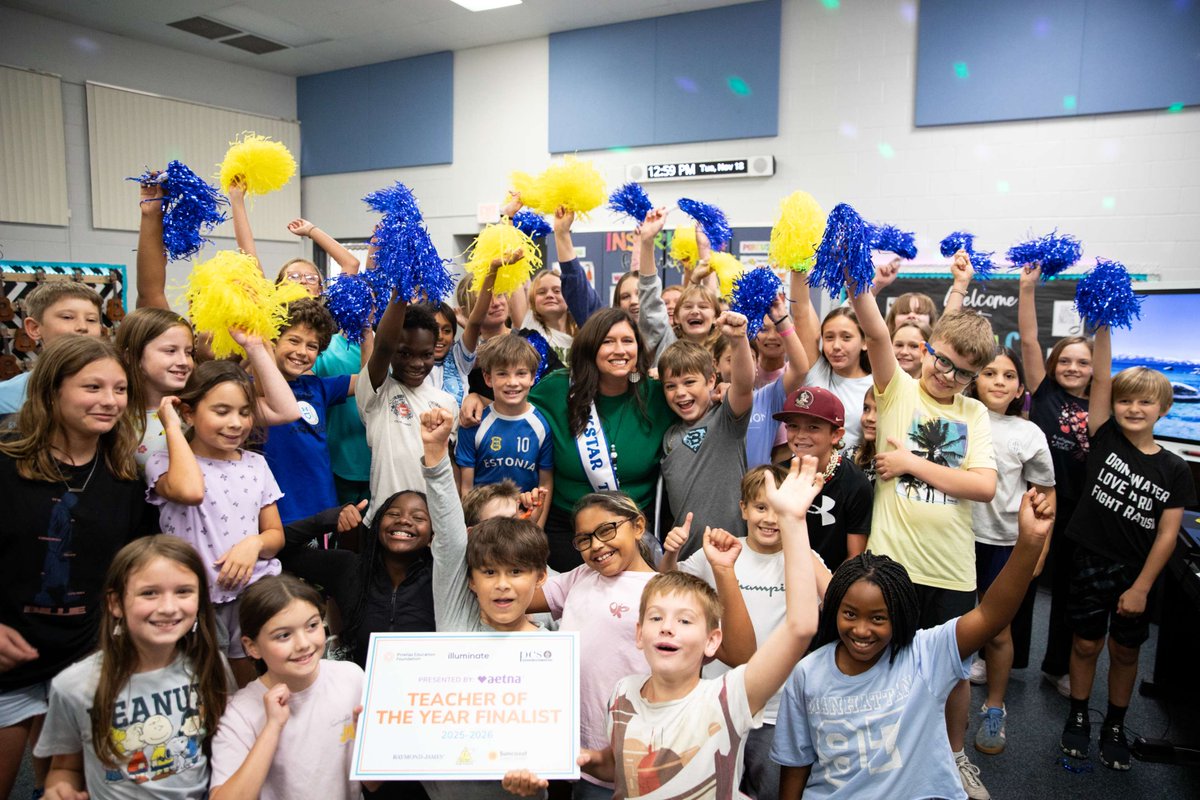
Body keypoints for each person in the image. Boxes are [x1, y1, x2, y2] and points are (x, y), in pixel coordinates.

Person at [504, 455, 825, 800]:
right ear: (639, 632)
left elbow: (798, 628)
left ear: (710, 639)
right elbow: (620, 768)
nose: (667, 628)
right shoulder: (623, 696)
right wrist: (577, 758)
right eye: (655, 618)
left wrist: (792, 523)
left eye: (683, 620)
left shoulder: (724, 700)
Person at [772, 489, 1055, 799]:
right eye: (850, 614)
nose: (862, 630)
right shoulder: (807, 673)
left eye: (878, 618)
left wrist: (1029, 543)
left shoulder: (925, 655)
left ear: (900, 616)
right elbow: (795, 764)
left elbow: (991, 615)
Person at [849, 280, 998, 800]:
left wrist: (912, 462)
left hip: (953, 568)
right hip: (893, 565)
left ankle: (954, 756)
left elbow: (983, 486)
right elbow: (871, 327)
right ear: (929, 347)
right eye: (943, 360)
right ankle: (878, 753)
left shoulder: (973, 413)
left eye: (964, 373)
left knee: (954, 673)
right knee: (882, 661)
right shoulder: (899, 389)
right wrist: (856, 276)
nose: (949, 375)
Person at [0, 337, 157, 798]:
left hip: (85, 660)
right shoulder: (5, 464)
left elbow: (130, 567)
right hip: (8, 664)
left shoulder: (125, 474)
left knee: (64, 788)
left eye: (120, 389)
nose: (110, 401)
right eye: (92, 387)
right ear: (52, 391)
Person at [1059, 327, 1195, 770]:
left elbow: (1168, 535)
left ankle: (1114, 724)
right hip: (1089, 561)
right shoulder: (1104, 437)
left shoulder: (1175, 469)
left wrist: (1141, 587)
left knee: (1125, 651)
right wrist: (1103, 325)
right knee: (1084, 645)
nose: (1133, 408)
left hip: (1136, 573)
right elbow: (1101, 378)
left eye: (1144, 402)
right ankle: (1078, 713)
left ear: (1164, 408)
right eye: (1125, 400)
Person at [660, 465, 834, 800]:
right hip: (717, 701)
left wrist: (799, 536)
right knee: (709, 789)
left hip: (778, 709)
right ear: (743, 509)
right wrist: (670, 554)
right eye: (760, 507)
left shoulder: (803, 558)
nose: (770, 518)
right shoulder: (721, 552)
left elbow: (837, 601)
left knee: (768, 789)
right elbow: (669, 588)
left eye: (777, 508)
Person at [34, 536, 230, 799]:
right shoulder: (74, 685)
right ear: (115, 603)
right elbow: (65, 767)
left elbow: (223, 749)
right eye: (149, 593)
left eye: (183, 591)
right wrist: (60, 787)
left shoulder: (211, 665)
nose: (168, 608)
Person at [144, 360, 286, 687]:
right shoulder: (163, 463)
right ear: (189, 413)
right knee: (210, 687)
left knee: (253, 684)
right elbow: (190, 491)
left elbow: (275, 535)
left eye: (244, 411)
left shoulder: (256, 464)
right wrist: (172, 425)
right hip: (196, 601)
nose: (236, 423)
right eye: (221, 411)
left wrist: (254, 544)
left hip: (252, 594)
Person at [527, 308, 676, 571]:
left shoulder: (657, 395)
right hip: (570, 535)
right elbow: (510, 407)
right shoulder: (558, 389)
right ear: (590, 347)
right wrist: (478, 398)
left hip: (633, 534)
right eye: (608, 341)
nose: (620, 350)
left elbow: (700, 407)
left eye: (627, 341)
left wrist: (724, 389)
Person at [962, 347, 1056, 755]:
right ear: (974, 379)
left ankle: (995, 707)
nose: (999, 381)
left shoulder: (1028, 433)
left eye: (1008, 375)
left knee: (998, 631)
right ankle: (938, 709)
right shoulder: (960, 414)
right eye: (989, 372)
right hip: (957, 539)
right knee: (952, 628)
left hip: (1003, 543)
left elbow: (1047, 495)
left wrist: (1039, 551)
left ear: (1020, 386)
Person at [210, 575, 375, 800]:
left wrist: (368, 744)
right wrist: (273, 727)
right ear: (252, 646)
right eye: (284, 635)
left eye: (312, 625)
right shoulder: (239, 713)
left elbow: (372, 784)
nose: (303, 644)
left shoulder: (351, 677)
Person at [1018, 263, 1094, 697]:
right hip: (1035, 501)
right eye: (1064, 359)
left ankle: (1057, 666)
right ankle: (1001, 656)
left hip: (1077, 512)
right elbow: (1029, 339)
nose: (1072, 367)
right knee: (1021, 584)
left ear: (1092, 370)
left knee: (1067, 590)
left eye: (1081, 362)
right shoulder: (1044, 391)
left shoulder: (1102, 403)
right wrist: (1027, 288)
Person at [657, 311, 754, 555]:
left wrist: (739, 340)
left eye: (689, 382)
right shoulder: (669, 436)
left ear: (711, 380)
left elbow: (743, 385)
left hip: (732, 550)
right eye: (670, 386)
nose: (680, 392)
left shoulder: (726, 417)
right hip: (686, 556)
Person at [357, 296, 459, 521]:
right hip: (383, 522)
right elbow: (383, 346)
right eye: (404, 353)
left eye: (426, 355)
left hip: (431, 523)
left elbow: (449, 465)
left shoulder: (447, 403)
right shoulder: (377, 391)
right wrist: (400, 293)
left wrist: (452, 517)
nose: (416, 363)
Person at [263, 299, 361, 526]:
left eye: (312, 346)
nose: (301, 352)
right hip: (276, 515)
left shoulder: (318, 387)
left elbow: (370, 380)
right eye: (294, 341)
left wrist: (366, 331)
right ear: (273, 341)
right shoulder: (250, 389)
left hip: (323, 509)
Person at [455, 335, 554, 522]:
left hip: (524, 521)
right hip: (483, 522)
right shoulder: (474, 423)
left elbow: (545, 483)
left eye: (521, 373)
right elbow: (466, 487)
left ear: (533, 377)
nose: (512, 382)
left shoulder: (541, 425)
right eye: (502, 373)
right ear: (487, 377)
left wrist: (537, 528)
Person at [774, 386, 873, 567]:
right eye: (793, 426)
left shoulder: (855, 483)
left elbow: (854, 556)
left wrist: (831, 591)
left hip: (832, 584)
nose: (801, 435)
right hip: (778, 578)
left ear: (836, 435)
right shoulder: (777, 476)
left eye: (813, 427)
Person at [789, 272, 873, 449]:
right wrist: (797, 262)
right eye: (829, 337)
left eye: (846, 337)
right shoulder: (818, 372)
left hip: (854, 473)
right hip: (808, 470)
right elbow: (801, 312)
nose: (836, 346)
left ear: (865, 342)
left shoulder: (876, 385)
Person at [0, 282, 104, 415]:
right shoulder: (5, 398)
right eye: (67, 317)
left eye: (91, 319)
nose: (83, 326)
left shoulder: (118, 392)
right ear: (34, 328)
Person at [848, 386, 877, 484]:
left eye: (879, 410)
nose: (870, 418)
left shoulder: (903, 460)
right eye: (866, 409)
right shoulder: (852, 455)